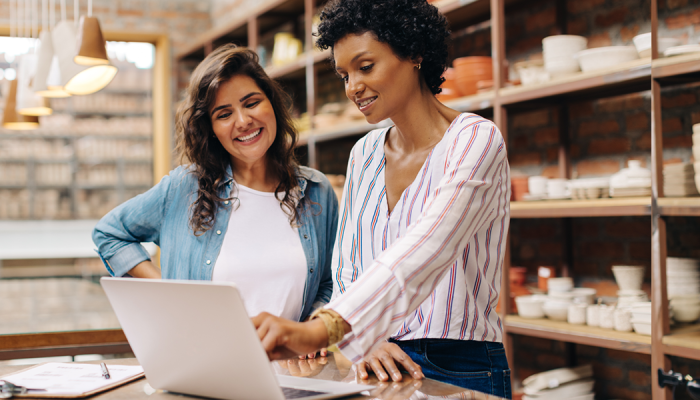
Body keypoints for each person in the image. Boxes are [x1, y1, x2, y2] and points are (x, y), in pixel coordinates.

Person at [252, 0, 511, 396]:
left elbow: (427, 249)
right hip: (375, 360)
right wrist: (364, 341)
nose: (352, 86)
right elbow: (349, 266)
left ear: (414, 54)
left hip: (460, 364)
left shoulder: (475, 140)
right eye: (344, 74)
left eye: (365, 66)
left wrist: (327, 328)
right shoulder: (365, 152)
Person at [93, 45, 339, 345]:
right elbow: (109, 233)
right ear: (210, 129)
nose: (243, 121)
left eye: (251, 103)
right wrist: (168, 289)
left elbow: (329, 282)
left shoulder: (317, 191)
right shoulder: (184, 188)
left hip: (293, 378)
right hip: (204, 364)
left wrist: (312, 330)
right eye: (224, 114)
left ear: (272, 104)